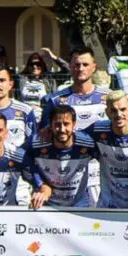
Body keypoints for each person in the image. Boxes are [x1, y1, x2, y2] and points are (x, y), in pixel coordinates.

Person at [41, 46, 110, 204]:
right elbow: (44, 135)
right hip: (66, 175)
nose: (80, 68)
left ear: (94, 67)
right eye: (76, 65)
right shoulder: (55, 100)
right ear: (70, 67)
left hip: (99, 172)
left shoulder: (107, 98)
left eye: (85, 64)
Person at [24, 105, 96, 209]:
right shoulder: (36, 142)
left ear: (74, 124)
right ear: (50, 125)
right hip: (46, 203)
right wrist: (40, 184)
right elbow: (19, 158)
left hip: (79, 204)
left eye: (66, 124)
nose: (62, 129)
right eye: (57, 124)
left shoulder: (87, 142)